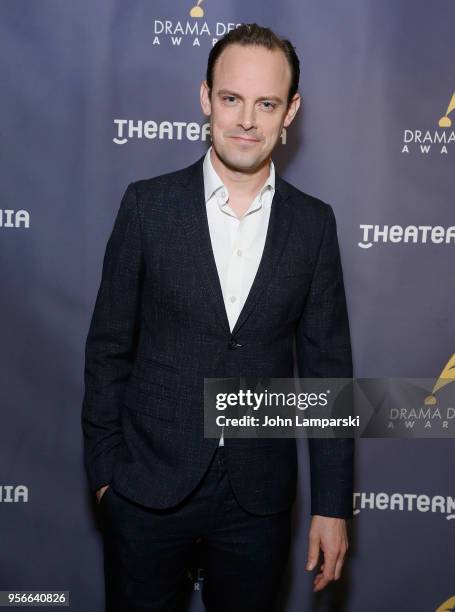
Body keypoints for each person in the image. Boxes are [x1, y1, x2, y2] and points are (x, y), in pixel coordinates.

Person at [82, 23, 354, 612]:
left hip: (257, 503)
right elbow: (108, 349)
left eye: (267, 103)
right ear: (205, 98)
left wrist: (331, 505)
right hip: (147, 490)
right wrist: (107, 477)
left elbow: (328, 377)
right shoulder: (147, 207)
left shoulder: (314, 226)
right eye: (231, 99)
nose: (247, 120)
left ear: (291, 112)